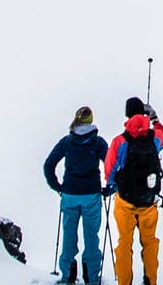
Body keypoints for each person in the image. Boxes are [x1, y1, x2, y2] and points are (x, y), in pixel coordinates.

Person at [103, 96, 163, 285]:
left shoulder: (120, 141)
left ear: (126, 114)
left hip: (125, 201)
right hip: (149, 201)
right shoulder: (153, 138)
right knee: (149, 242)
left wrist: (117, 185)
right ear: (143, 113)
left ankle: (125, 282)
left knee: (124, 243)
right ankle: (150, 280)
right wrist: (154, 118)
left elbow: (109, 172)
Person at [44, 105, 110, 284]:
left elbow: (48, 165)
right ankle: (91, 277)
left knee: (69, 235)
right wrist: (110, 188)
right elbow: (112, 165)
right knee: (91, 235)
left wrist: (57, 187)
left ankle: (68, 276)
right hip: (91, 194)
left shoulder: (66, 141)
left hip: (70, 194)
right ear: (91, 121)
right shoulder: (98, 142)